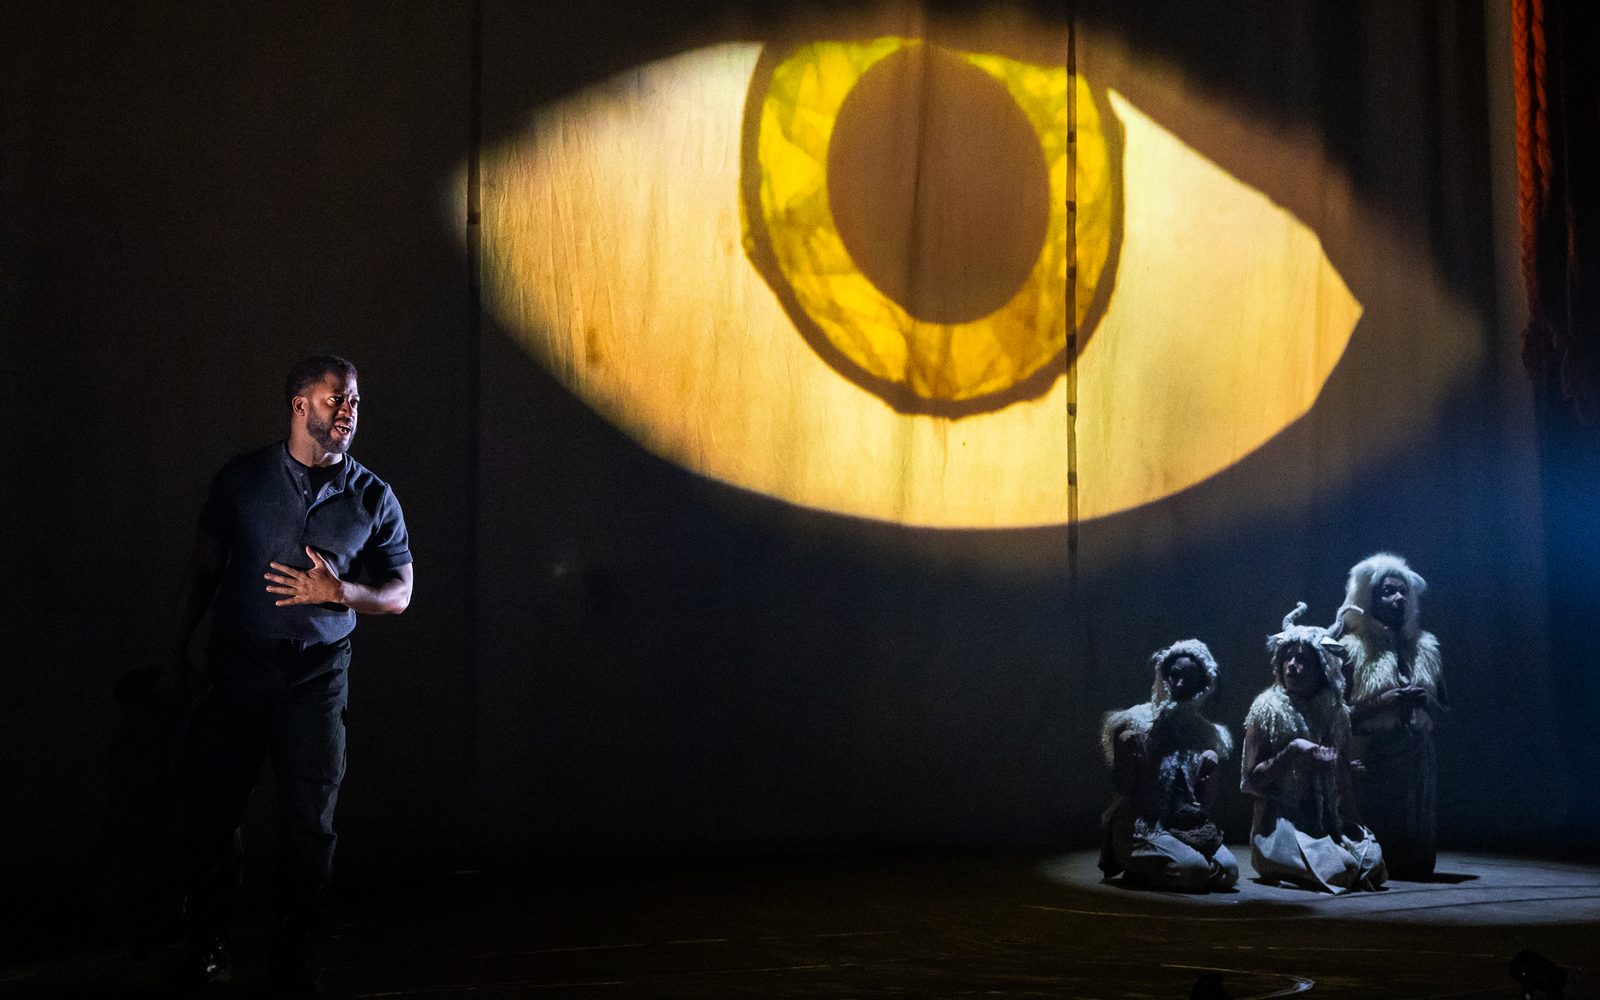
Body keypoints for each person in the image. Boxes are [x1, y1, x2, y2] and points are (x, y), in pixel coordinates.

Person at [161, 355, 413, 996]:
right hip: (240, 668)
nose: (349, 411)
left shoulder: (372, 497)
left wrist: (340, 591)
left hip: (316, 678)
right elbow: (203, 569)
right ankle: (209, 942)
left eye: (355, 400)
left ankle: (292, 951)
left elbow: (401, 592)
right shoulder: (244, 480)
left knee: (310, 823)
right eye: (336, 399)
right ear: (301, 406)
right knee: (213, 811)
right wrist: (175, 651)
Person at [1241, 604, 1385, 893]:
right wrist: (1293, 750)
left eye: (1303, 659)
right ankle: (1281, 860)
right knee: (1341, 871)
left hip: (1328, 818)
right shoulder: (1266, 710)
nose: (1293, 665)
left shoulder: (1335, 712)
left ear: (1322, 669)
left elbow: (1343, 781)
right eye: (1288, 658)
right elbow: (1251, 782)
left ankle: (1324, 856)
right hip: (1284, 820)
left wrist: (1352, 818)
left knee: (1372, 865)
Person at [1338, 553, 1447, 880]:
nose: (1397, 598)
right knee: (1377, 860)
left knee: (1415, 865)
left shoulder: (1426, 648)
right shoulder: (1352, 649)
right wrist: (1383, 702)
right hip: (1373, 764)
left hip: (1416, 771)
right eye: (1387, 591)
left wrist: (1426, 701)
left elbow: (1446, 715)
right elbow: (1334, 720)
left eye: (1402, 591)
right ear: (1370, 598)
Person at [1098, 639, 1239, 892]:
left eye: (1190, 678)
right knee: (1195, 870)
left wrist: (1211, 769)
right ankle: (1143, 864)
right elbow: (1124, 787)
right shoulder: (1135, 721)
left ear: (1203, 684)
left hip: (1184, 825)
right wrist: (1124, 747)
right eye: (1174, 675)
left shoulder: (1205, 733)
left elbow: (1204, 804)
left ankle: (1158, 870)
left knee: (1228, 871)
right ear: (1164, 675)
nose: (1180, 684)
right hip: (1142, 825)